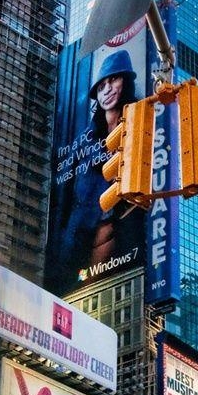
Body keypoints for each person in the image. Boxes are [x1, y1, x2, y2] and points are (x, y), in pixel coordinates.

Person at [48, 47, 149, 280]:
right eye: (101, 86)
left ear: (126, 81)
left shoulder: (140, 125)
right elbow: (65, 195)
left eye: (113, 80)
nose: (107, 90)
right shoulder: (86, 140)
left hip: (119, 243)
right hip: (75, 240)